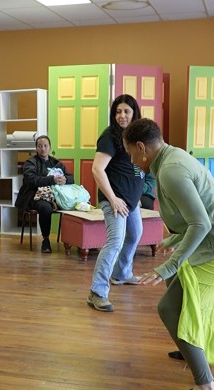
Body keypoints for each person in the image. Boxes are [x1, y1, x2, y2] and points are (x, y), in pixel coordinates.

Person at [124, 119, 214, 390]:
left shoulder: (171, 170)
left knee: (170, 307)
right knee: (179, 286)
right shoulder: (172, 156)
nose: (132, 160)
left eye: (131, 154)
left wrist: (166, 267)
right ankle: (188, 346)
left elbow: (201, 222)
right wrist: (173, 242)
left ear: (141, 148)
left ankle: (206, 388)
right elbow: (201, 209)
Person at [86, 94, 145, 313]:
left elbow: (136, 168)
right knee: (115, 242)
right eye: (118, 112)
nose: (122, 116)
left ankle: (121, 273)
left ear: (134, 113)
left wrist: (136, 197)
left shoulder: (133, 138)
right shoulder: (110, 137)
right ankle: (97, 292)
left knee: (135, 234)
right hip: (115, 201)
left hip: (131, 202)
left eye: (126, 111)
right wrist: (113, 199)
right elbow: (97, 169)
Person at [13, 135, 74, 253]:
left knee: (73, 204)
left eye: (45, 146)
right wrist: (52, 179)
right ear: (36, 148)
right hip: (34, 195)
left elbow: (71, 178)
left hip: (54, 196)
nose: (43, 149)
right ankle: (45, 239)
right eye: (40, 146)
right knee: (46, 208)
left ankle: (74, 241)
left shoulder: (56, 163)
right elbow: (32, 181)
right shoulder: (30, 163)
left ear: (49, 147)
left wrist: (65, 180)